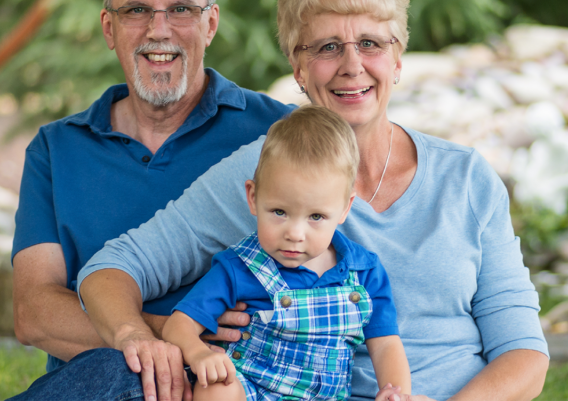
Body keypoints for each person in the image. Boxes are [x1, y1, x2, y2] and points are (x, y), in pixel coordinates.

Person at [78, 0, 550, 401]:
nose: (351, 66)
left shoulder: (466, 179)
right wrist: (139, 337)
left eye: (370, 43)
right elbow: (111, 269)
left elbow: (525, 353)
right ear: (299, 69)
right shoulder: (267, 169)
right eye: (327, 47)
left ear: (398, 57)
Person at [9, 0, 293, 375]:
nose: (158, 30)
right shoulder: (56, 149)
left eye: (181, 10)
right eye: (136, 11)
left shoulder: (276, 134)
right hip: (97, 384)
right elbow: (35, 314)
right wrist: (171, 332)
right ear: (109, 28)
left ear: (211, 24)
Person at [164, 105, 411, 401]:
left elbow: (385, 344)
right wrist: (200, 354)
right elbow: (178, 325)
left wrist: (397, 393)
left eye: (316, 217)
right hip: (251, 390)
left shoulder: (364, 272)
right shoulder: (239, 267)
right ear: (253, 197)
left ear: (345, 208)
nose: (295, 233)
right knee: (216, 386)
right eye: (279, 212)